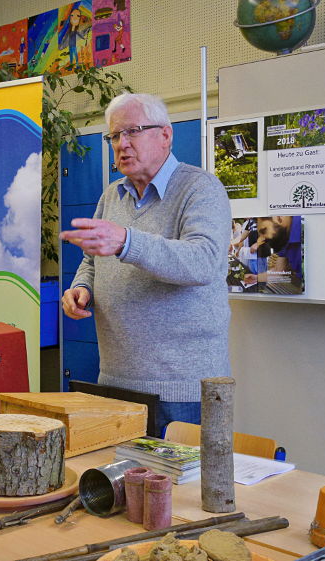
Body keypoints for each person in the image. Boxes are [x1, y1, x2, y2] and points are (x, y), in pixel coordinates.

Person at [59, 93, 231, 436]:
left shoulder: (201, 188)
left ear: (165, 135)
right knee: (120, 487)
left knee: (179, 490)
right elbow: (91, 260)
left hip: (181, 390)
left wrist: (127, 241)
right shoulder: (112, 195)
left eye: (132, 132)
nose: (122, 144)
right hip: (115, 380)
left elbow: (203, 262)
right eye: (114, 136)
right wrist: (81, 288)